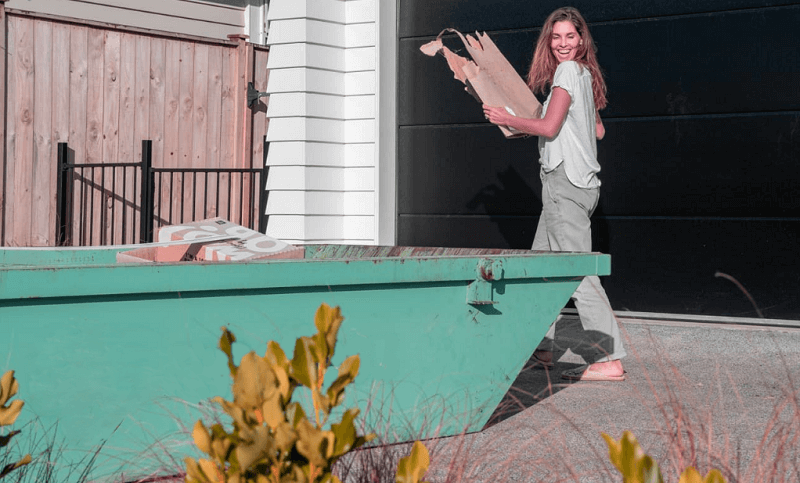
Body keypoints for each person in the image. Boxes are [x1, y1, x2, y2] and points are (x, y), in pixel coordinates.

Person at [483, 6, 626, 381]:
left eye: (570, 37)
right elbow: (598, 132)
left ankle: (608, 358)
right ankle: (540, 348)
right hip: (575, 185)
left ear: (581, 40)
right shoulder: (585, 74)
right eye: (557, 37)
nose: (563, 44)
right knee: (541, 270)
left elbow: (548, 127)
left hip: (566, 185)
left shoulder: (567, 71)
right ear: (550, 41)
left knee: (577, 271)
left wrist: (506, 118)